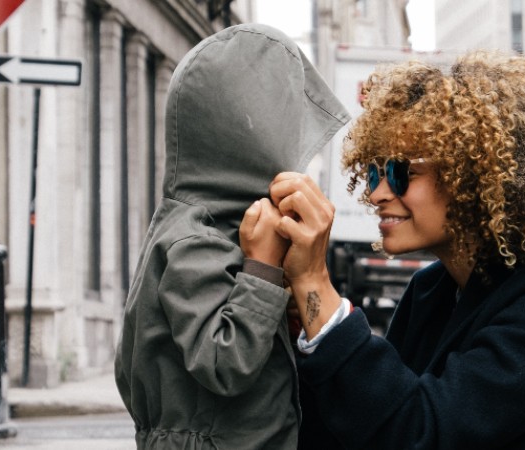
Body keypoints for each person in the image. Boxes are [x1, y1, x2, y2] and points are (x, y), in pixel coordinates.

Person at [264, 51, 525, 449]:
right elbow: (363, 429)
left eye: (401, 172)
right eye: (373, 171)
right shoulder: (432, 291)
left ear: (477, 179)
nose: (376, 193)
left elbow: (419, 434)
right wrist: (305, 329)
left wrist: (316, 283)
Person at [113, 24, 349, 449]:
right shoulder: (194, 237)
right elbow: (225, 362)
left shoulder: (224, 224)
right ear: (250, 138)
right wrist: (261, 270)